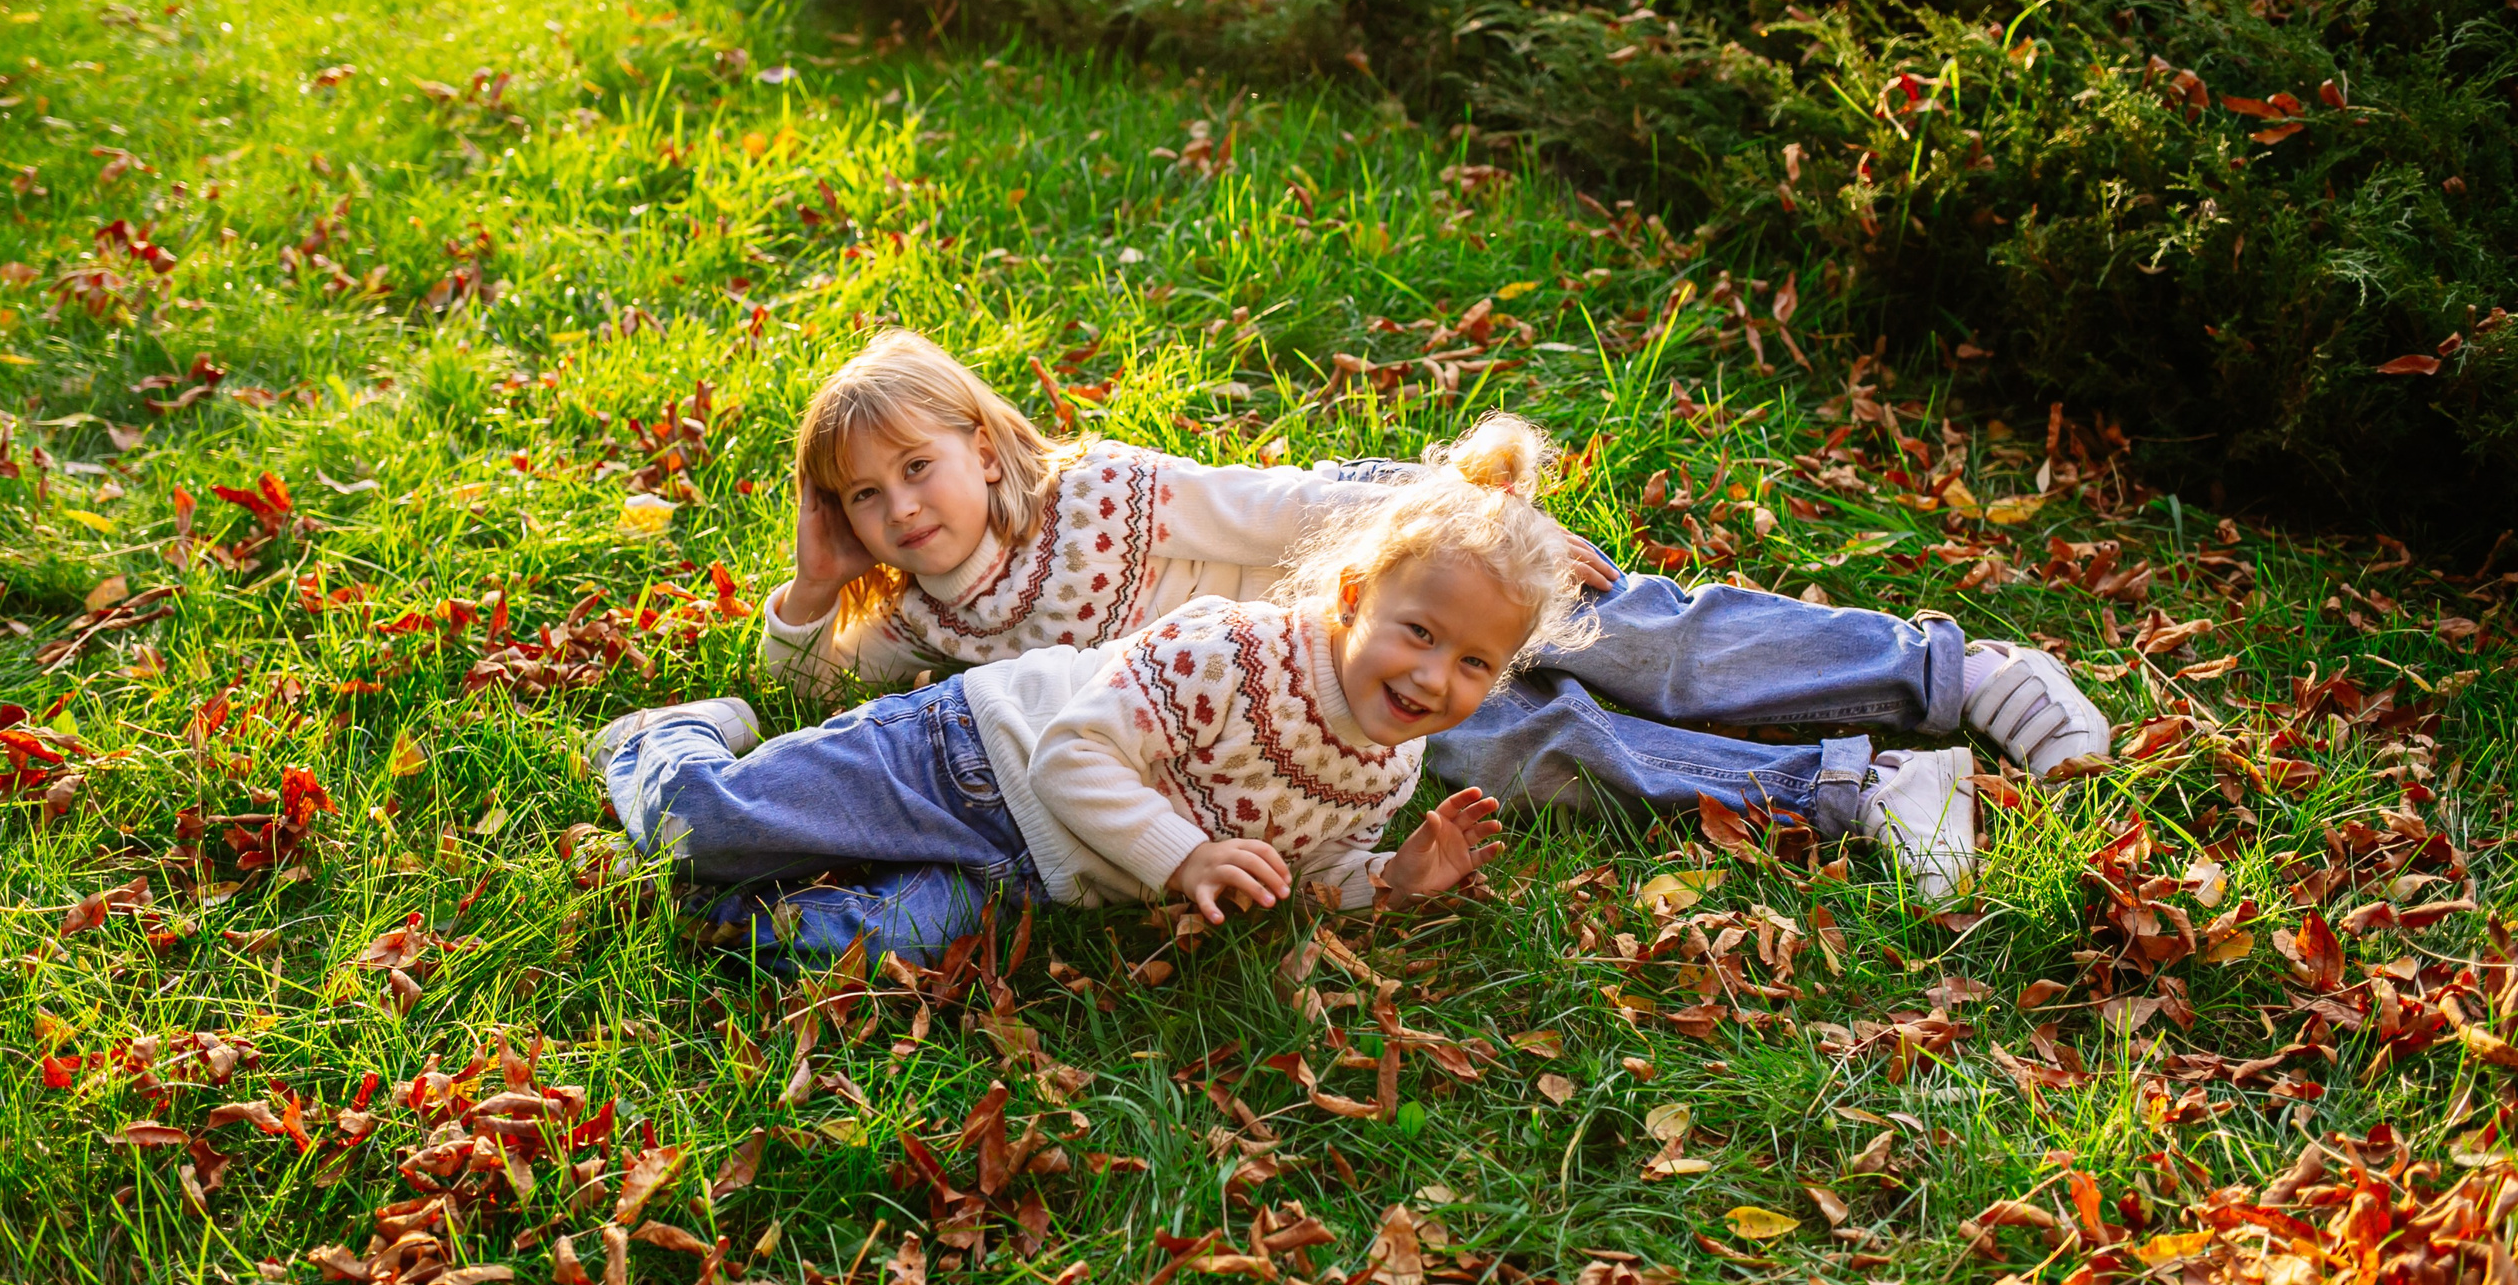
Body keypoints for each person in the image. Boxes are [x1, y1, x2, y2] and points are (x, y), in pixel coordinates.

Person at [755, 329, 2110, 896]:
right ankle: (1863, 790)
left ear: (984, 446)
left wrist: (1468, 521)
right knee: (1539, 752)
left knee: (1622, 631)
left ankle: (1947, 671)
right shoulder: (938, 623)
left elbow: (1279, 506)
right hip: (1316, 727)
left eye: (916, 468)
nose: (900, 510)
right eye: (863, 499)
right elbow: (815, 686)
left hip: (1374, 584)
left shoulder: (1101, 492)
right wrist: (812, 585)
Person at [591, 416, 1595, 968]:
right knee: (710, 832)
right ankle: (663, 741)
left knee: (814, 951)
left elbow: (1292, 874)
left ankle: (736, 895)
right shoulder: (1234, 651)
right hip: (966, 760)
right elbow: (1075, 752)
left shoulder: (1390, 764)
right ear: (1352, 600)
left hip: (1034, 879)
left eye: (1472, 664)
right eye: (1417, 633)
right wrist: (1184, 851)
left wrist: (1391, 879)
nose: (1431, 676)